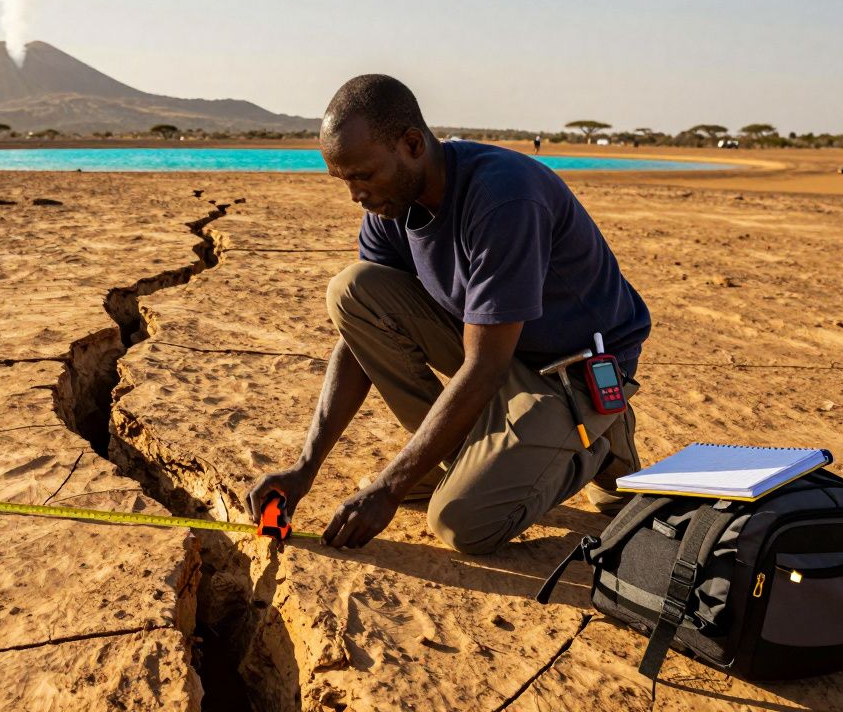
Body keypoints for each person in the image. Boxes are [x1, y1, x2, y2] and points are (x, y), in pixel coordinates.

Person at [246, 75, 651, 555]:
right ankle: (490, 453)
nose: (355, 194)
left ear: (412, 144)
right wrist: (304, 468)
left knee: (462, 522)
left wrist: (389, 487)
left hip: (572, 371)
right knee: (353, 289)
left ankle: (602, 441)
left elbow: (485, 366)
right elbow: (362, 339)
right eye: (344, 180)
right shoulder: (390, 208)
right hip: (498, 355)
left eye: (363, 175)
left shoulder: (503, 197)